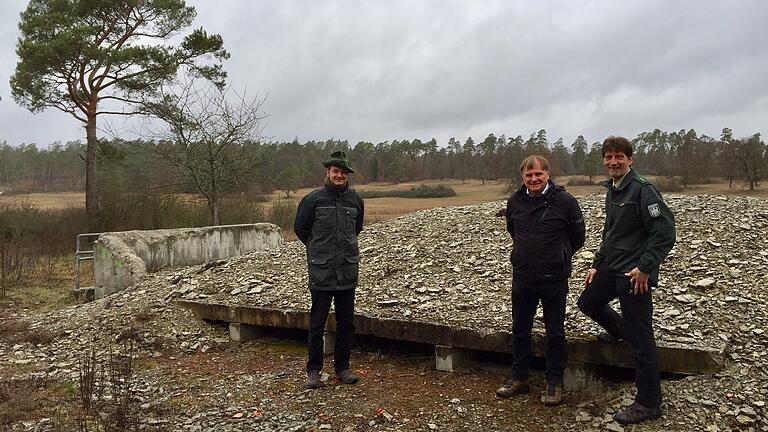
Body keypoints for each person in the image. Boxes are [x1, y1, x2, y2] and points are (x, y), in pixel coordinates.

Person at [577, 136, 676, 424]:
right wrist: (597, 263)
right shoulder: (614, 189)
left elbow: (665, 233)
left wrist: (645, 268)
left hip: (635, 275)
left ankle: (649, 402)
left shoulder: (644, 190)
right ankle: (620, 331)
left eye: (619, 156)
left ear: (630, 159)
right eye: (608, 157)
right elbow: (611, 232)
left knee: (642, 340)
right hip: (612, 266)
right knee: (588, 302)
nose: (613, 162)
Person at [496, 155, 585, 406]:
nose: (533, 179)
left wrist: (558, 256)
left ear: (547, 174)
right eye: (528, 175)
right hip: (523, 275)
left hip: (554, 277)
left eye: (538, 174)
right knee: (520, 329)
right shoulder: (515, 201)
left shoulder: (565, 201)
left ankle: (554, 383)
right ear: (523, 177)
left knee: (555, 332)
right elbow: (513, 231)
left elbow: (578, 237)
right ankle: (519, 378)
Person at [294, 150, 365, 389]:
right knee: (317, 323)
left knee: (346, 323)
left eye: (343, 172)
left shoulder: (355, 200)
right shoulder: (313, 200)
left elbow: (357, 229)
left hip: (347, 271)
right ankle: (313, 371)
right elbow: (301, 230)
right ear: (328, 172)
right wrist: (319, 251)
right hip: (321, 273)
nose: (340, 176)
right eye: (336, 171)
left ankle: (343, 368)